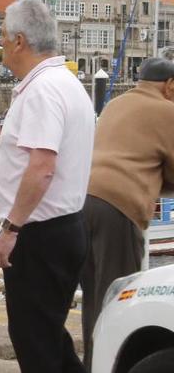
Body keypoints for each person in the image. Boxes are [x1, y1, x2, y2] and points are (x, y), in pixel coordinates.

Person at [0, 0, 95, 373]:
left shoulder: (43, 90)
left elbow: (42, 167)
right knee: (48, 338)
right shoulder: (65, 83)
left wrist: (11, 228)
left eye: (1, 36)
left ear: (19, 41)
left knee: (36, 345)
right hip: (62, 227)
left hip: (39, 233)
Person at [80, 57, 174, 369]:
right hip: (118, 207)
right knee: (121, 299)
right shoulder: (166, 111)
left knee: (96, 299)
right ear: (170, 85)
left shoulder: (116, 104)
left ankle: (95, 363)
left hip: (83, 201)